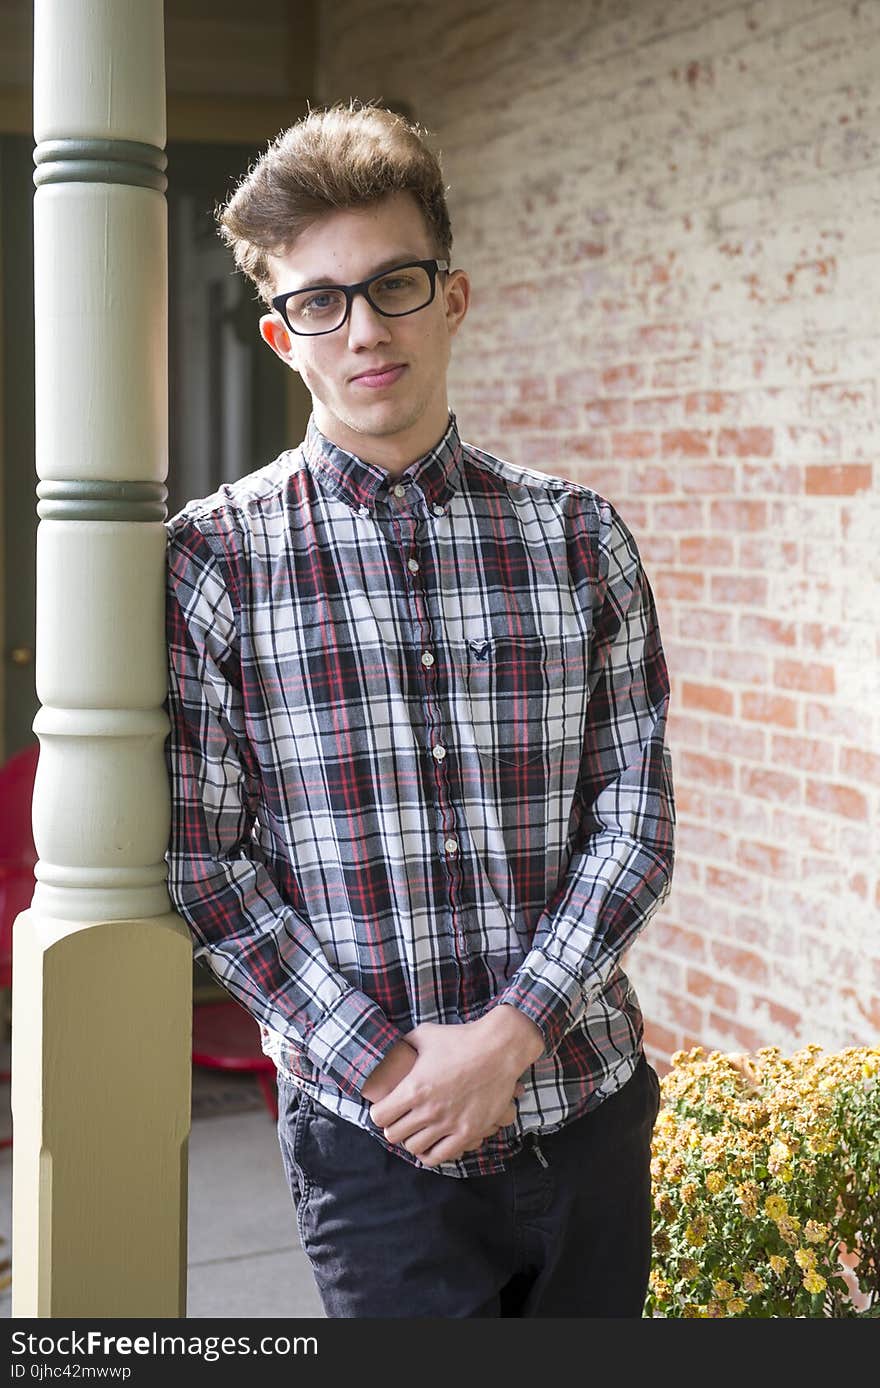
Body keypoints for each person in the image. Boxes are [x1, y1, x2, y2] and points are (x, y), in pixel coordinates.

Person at [165, 100, 675, 1319]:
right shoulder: (214, 563)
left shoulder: (577, 536)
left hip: (586, 1117)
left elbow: (636, 817)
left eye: (393, 283)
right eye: (320, 301)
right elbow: (209, 865)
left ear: (451, 296)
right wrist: (395, 1071)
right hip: (370, 1151)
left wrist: (504, 1042)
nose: (363, 330)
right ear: (281, 334)